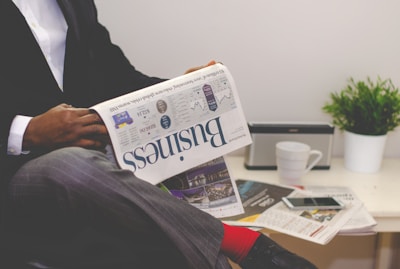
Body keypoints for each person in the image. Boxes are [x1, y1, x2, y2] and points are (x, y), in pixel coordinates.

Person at [0, 1, 318, 268]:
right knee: (71, 166)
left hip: (99, 171)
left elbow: (115, 77)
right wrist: (26, 132)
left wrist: (180, 89)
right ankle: (247, 245)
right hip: (19, 173)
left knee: (173, 241)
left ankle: (239, 248)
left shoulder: (75, 4)